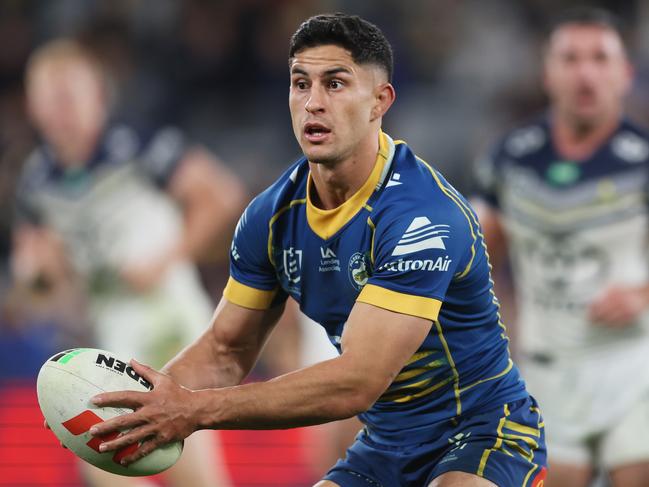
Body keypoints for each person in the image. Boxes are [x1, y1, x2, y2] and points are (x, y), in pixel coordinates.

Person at [87, 13, 547, 487]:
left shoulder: (421, 215)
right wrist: (138, 403)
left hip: (482, 432)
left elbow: (357, 382)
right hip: (385, 445)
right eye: (300, 84)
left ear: (379, 101)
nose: (313, 103)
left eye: (336, 84)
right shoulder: (270, 217)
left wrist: (194, 410)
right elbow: (226, 350)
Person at [15, 39, 243, 487]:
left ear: (97, 95)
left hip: (169, 321)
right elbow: (39, 275)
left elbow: (221, 195)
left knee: (173, 459)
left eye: (70, 95)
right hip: (109, 335)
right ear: (32, 106)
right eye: (49, 98)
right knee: (105, 464)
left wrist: (164, 259)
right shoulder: (36, 180)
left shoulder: (140, 145)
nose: (61, 111)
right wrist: (38, 273)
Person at [472, 7, 649, 487]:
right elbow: (475, 258)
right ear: (548, 72)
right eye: (570, 58)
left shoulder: (643, 160)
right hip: (548, 363)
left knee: (637, 471)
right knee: (559, 477)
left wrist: (641, 295)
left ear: (624, 73)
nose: (585, 72)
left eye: (599, 58)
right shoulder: (510, 158)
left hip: (633, 361)